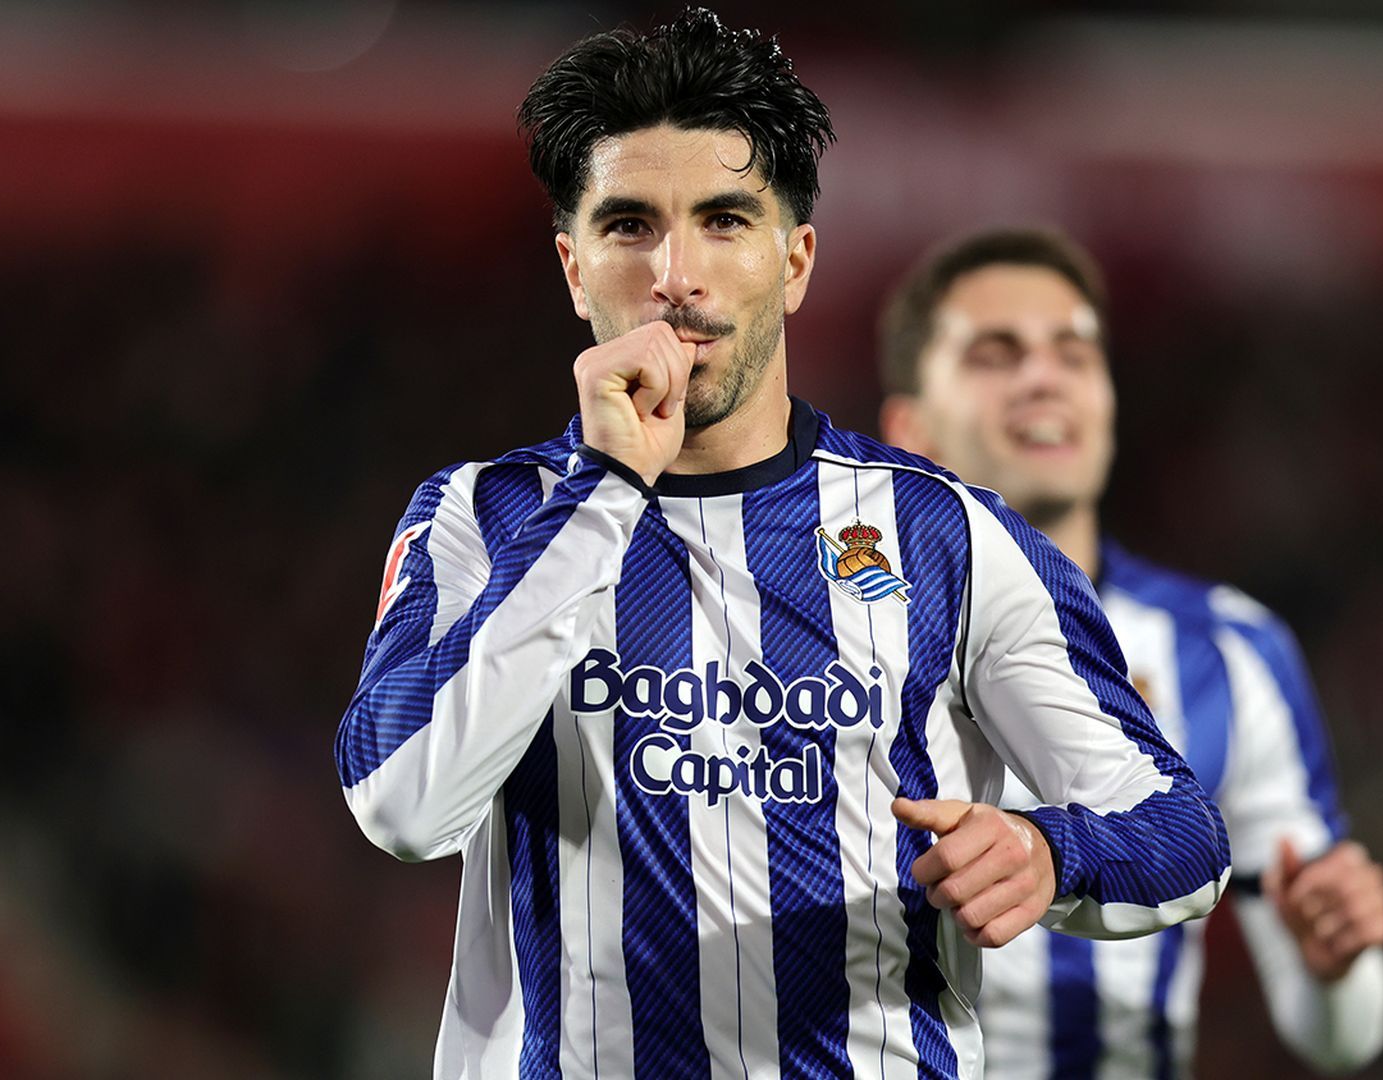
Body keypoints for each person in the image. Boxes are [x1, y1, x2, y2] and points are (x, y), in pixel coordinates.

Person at [335, 12, 1229, 1078]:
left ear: (794, 260)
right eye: (629, 226)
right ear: (575, 271)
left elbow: (1181, 836)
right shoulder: (481, 519)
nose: (677, 273)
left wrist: (1050, 850)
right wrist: (609, 489)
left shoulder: (949, 538)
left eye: (724, 220)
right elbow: (402, 804)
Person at [877, 227, 1383, 1078]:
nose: (1044, 376)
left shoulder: (1230, 651)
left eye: (1073, 353)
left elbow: (1340, 1035)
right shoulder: (827, 638)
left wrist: (1335, 958)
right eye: (995, 354)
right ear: (909, 429)